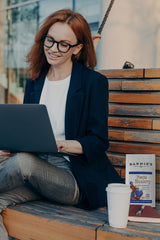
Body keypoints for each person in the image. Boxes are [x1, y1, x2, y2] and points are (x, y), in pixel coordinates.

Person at [0, 9, 123, 239]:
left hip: (72, 177)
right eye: (50, 40)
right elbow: (27, 130)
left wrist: (60, 145)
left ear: (77, 48)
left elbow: (98, 142)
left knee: (24, 163)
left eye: (63, 44)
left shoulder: (93, 83)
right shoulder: (35, 81)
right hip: (34, 167)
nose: (54, 49)